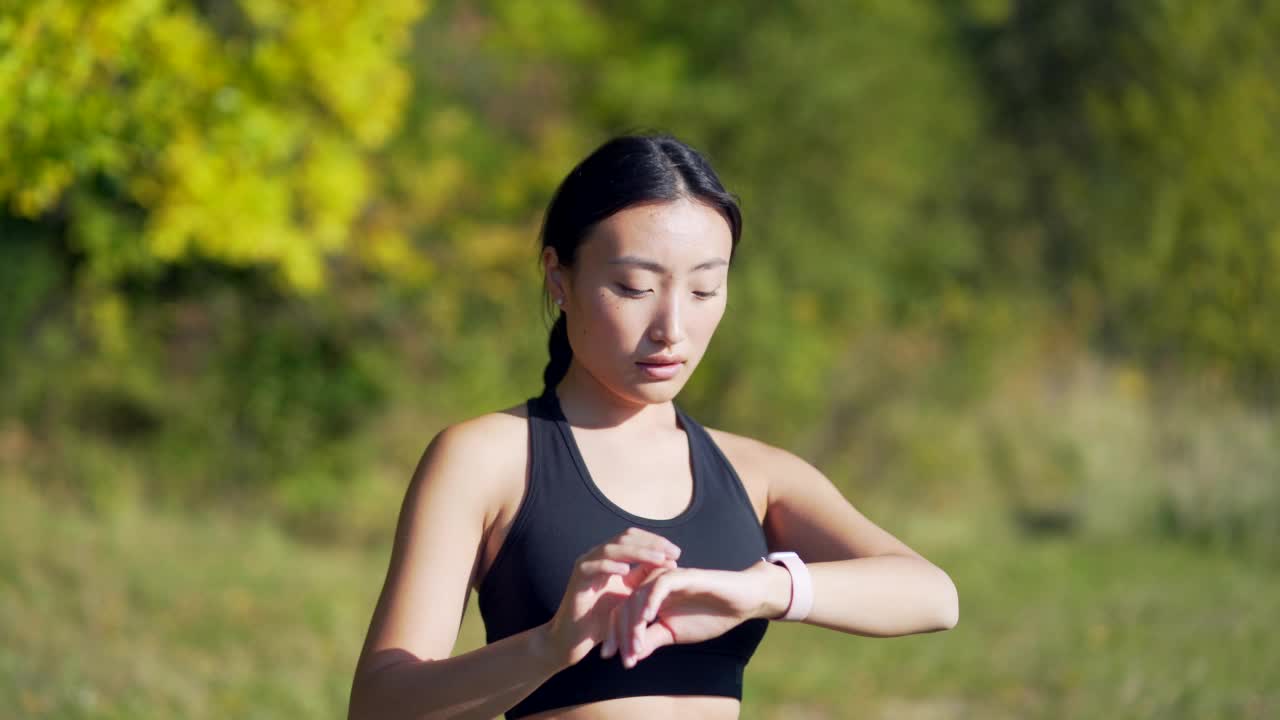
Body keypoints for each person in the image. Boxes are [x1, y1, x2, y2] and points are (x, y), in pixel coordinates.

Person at [347, 134, 959, 720]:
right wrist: (551, 646)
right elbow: (378, 708)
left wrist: (763, 591)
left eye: (704, 289)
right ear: (560, 278)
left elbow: (933, 596)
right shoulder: (486, 459)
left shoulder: (755, 472)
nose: (672, 327)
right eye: (634, 287)